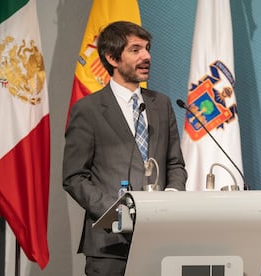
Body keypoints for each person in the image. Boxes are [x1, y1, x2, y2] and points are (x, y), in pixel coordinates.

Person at [63, 21, 187, 276]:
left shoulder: (161, 104)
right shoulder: (88, 110)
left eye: (147, 48)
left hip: (159, 241)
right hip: (110, 247)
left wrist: (173, 195)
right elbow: (75, 177)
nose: (147, 56)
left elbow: (175, 163)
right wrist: (118, 211)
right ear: (112, 57)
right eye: (136, 49)